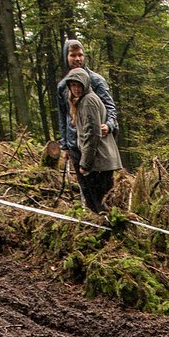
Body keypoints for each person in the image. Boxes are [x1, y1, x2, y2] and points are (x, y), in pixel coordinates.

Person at [56, 40, 119, 210]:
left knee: (104, 192)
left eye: (80, 55)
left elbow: (110, 107)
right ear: (66, 57)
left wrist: (109, 124)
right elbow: (63, 116)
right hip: (75, 144)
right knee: (87, 190)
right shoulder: (63, 86)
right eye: (73, 55)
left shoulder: (96, 81)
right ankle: (94, 221)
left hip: (96, 145)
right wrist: (65, 145)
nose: (77, 59)